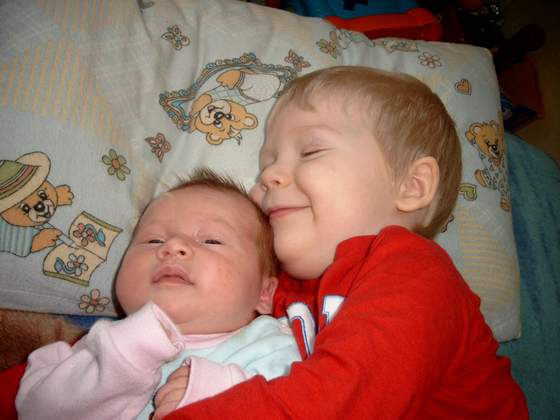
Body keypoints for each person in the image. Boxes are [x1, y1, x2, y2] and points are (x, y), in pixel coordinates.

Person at [156, 66, 528, 419]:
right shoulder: (281, 289)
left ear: (411, 186)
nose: (268, 176)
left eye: (310, 151)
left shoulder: (417, 276)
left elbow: (342, 403)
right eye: (266, 164)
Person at [15, 168, 301, 420]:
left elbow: (301, 403)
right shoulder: (100, 345)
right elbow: (34, 411)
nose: (173, 246)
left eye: (211, 240)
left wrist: (217, 392)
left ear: (264, 293)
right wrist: (124, 354)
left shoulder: (272, 346)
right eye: (154, 240)